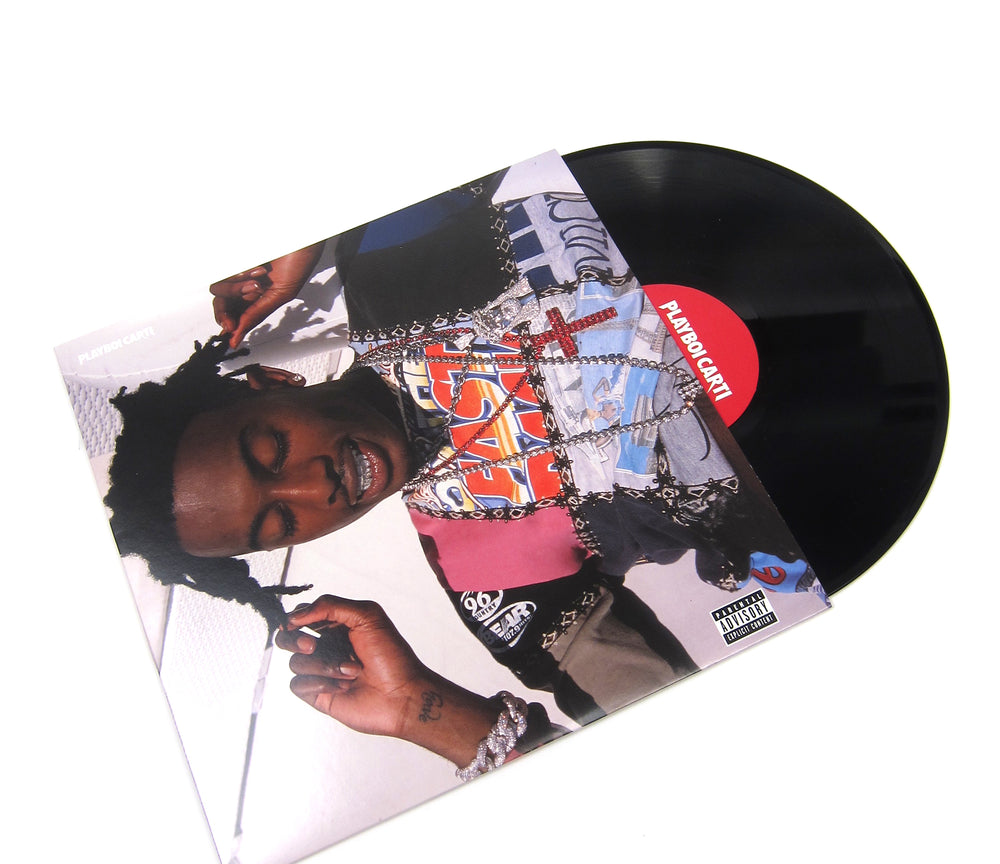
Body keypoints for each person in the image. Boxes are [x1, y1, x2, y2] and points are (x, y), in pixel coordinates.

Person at [106, 162, 818, 779]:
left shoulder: (387, 251)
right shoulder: (486, 571)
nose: (312, 486)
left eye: (270, 452)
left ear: (269, 385)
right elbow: (666, 743)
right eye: (282, 521)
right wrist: (425, 711)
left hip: (791, 236)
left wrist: (311, 222)